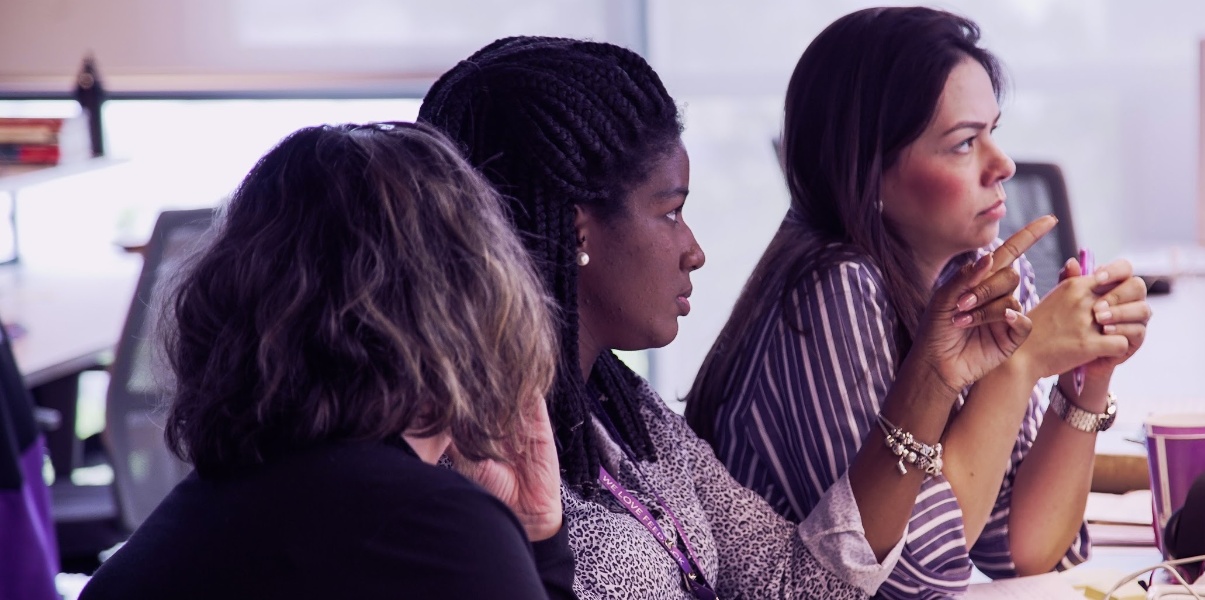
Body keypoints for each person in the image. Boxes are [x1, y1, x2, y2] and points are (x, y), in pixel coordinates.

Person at [419, 36, 1051, 599]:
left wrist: (936, 377)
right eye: (669, 212)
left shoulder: (630, 416)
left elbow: (801, 583)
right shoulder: (468, 456)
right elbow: (917, 576)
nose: (693, 250)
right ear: (578, 228)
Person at [685, 7, 1152, 598]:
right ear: (868, 173)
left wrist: (1084, 379)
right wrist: (1022, 360)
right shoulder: (836, 290)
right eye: (963, 144)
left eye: (993, 132)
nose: (1002, 164)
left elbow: (1028, 550)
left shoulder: (978, 271)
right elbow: (914, 578)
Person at [79, 122, 575, 600]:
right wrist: (538, 547)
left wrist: (532, 534)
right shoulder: (429, 527)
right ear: (467, 306)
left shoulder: (162, 543)